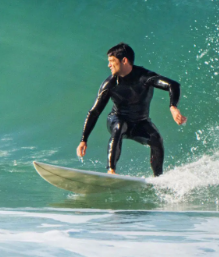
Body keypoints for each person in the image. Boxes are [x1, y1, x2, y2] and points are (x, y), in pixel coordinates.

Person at [76, 43, 187, 176]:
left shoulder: (145, 77)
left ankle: (158, 177)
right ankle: (111, 170)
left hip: (140, 122)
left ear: (124, 60)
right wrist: (84, 139)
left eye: (112, 61)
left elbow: (173, 85)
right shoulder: (110, 84)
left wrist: (173, 107)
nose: (108, 65)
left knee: (156, 138)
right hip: (116, 118)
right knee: (119, 125)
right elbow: (94, 112)